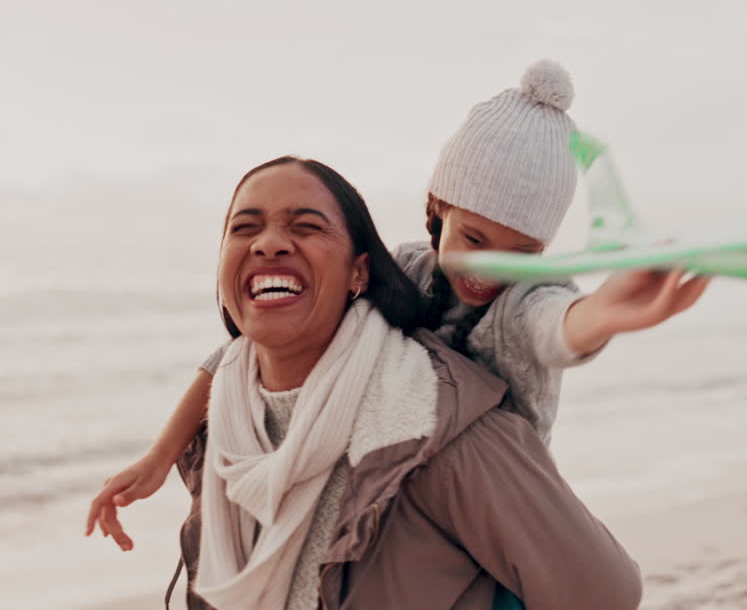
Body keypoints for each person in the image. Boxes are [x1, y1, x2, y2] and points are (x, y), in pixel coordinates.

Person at [87, 61, 708, 552]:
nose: (491, 267)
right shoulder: (406, 269)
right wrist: (159, 454)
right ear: (436, 211)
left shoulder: (528, 298)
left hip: (500, 503)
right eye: (474, 240)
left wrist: (609, 309)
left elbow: (559, 328)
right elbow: (236, 351)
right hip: (411, 492)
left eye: (521, 252)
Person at [148, 156, 642, 609]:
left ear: (359, 271)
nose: (269, 242)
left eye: (306, 226)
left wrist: (599, 314)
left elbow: (604, 594)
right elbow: (226, 358)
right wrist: (158, 454)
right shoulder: (225, 430)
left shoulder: (440, 430)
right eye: (244, 227)